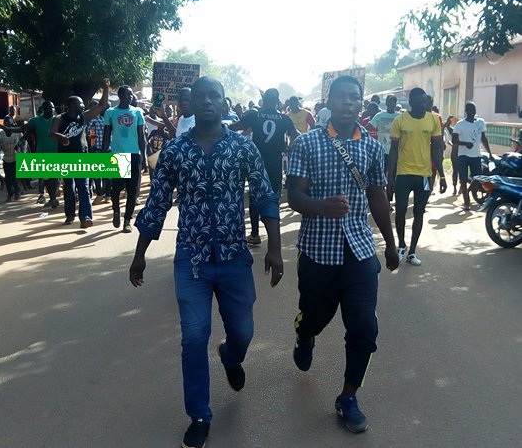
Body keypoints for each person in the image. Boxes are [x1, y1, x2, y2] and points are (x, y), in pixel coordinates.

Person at [130, 77, 283, 448]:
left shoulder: (243, 148)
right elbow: (157, 204)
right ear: (191, 104)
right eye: (201, 97)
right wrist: (140, 255)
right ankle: (199, 414)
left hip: (233, 258)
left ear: (224, 102)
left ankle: (231, 357)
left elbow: (264, 196)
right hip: (192, 261)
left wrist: (275, 249)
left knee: (243, 333)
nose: (208, 102)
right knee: (194, 337)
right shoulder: (175, 151)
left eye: (214, 96)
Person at [287, 74, 397, 434]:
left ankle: (348, 396)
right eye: (341, 97)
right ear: (329, 102)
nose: (348, 103)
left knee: (364, 325)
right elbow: (294, 197)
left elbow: (378, 196)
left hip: (359, 250)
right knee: (314, 317)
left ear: (361, 103)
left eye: (355, 98)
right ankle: (305, 336)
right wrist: (321, 206)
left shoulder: (371, 147)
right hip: (318, 250)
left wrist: (392, 243)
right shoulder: (307, 144)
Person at [230, 88, 299, 244]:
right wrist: (289, 148)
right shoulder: (284, 119)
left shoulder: (254, 116)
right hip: (276, 163)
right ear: (277, 101)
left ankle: (255, 234)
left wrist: (222, 126)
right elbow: (294, 135)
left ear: (264, 99)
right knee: (273, 197)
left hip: (256, 162)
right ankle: (274, 236)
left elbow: (237, 127)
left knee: (254, 196)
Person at [388, 87, 446, 266]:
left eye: (425, 102)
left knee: (419, 213)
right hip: (404, 173)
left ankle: (412, 251)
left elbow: (436, 149)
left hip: (424, 175)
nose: (423, 105)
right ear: (411, 103)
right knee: (401, 211)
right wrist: (390, 177)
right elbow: (393, 151)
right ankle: (401, 245)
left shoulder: (433, 120)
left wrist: (442, 176)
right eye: (419, 102)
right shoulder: (400, 120)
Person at [50, 80, 110, 228]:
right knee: (69, 187)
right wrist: (61, 137)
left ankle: (86, 217)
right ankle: (70, 215)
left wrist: (106, 87)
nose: (83, 106)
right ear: (72, 106)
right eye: (81, 104)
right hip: (65, 158)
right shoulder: (59, 118)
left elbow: (102, 105)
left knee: (84, 187)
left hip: (82, 157)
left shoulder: (83, 117)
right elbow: (51, 133)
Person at [103, 85, 146, 233]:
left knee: (132, 191)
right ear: (121, 96)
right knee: (116, 189)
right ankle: (116, 211)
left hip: (134, 155)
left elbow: (142, 137)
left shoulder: (138, 112)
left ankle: (127, 220)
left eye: (132, 94)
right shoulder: (110, 113)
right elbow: (106, 135)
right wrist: (103, 153)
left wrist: (144, 157)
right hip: (118, 155)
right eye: (129, 94)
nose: (132, 96)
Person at [11, 101, 59, 207]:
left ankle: (53, 198)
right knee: (46, 178)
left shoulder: (58, 119)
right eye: (49, 108)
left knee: (54, 177)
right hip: (41, 152)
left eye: (52, 108)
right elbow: (23, 129)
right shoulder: (36, 121)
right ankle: (52, 198)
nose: (51, 110)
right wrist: (9, 129)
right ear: (44, 108)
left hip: (56, 152)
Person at [452, 101, 492, 211]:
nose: (472, 112)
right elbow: (454, 140)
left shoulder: (480, 122)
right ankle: (466, 202)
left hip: (476, 155)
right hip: (463, 155)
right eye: (470, 110)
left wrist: (490, 153)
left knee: (478, 179)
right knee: (463, 179)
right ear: (466, 111)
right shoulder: (460, 124)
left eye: (473, 110)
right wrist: (465, 143)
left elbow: (483, 138)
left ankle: (468, 191)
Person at [368, 95, 401, 200]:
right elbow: (368, 127)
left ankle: (390, 198)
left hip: (396, 151)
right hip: (382, 151)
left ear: (395, 104)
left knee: (393, 175)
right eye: (390, 103)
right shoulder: (379, 115)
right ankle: (382, 199)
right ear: (386, 104)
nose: (391, 105)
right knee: (381, 175)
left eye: (393, 103)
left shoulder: (400, 116)